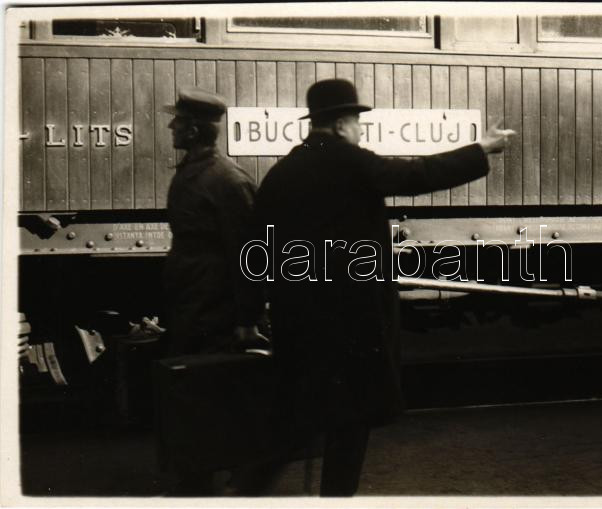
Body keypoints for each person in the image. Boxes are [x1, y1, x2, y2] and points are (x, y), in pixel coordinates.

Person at [252, 79, 514, 496]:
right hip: (350, 319)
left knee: (301, 414)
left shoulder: (282, 172)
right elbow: (416, 174)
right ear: (342, 124)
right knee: (351, 419)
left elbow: (259, 245)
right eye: (357, 122)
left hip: (299, 317)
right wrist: (480, 149)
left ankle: (247, 490)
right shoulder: (350, 162)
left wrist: (260, 307)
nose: (360, 131)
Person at [162, 87, 269, 494]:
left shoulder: (227, 180)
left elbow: (250, 254)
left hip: (216, 305)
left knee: (219, 394)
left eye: (177, 121)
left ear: (193, 130)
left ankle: (239, 485)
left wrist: (248, 319)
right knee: (197, 393)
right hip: (193, 300)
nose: (171, 126)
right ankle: (200, 480)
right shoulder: (195, 172)